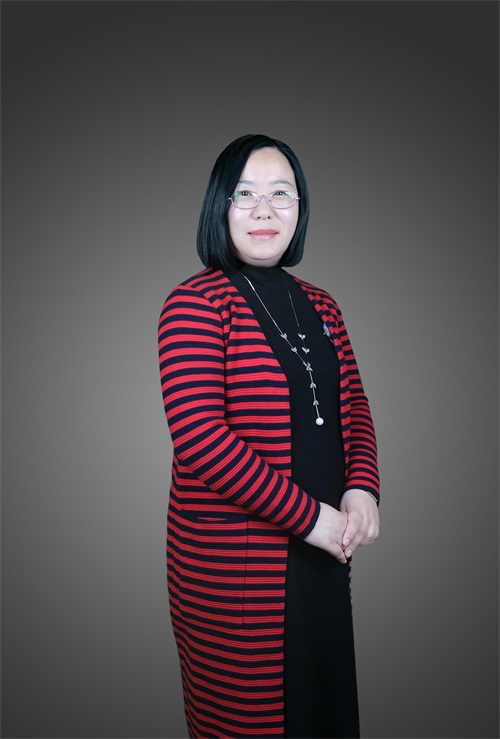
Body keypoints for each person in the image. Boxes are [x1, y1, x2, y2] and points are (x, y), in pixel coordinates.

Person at [158, 134, 380, 739]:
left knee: (322, 712)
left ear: (299, 209)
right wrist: (312, 520)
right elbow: (200, 438)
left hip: (323, 554)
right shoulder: (194, 304)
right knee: (246, 721)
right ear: (220, 207)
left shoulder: (322, 305)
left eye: (281, 194)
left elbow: (354, 407)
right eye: (244, 194)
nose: (263, 210)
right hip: (235, 570)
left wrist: (362, 490)